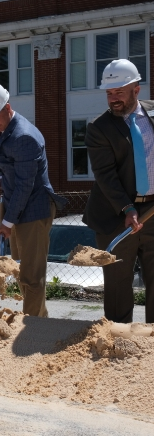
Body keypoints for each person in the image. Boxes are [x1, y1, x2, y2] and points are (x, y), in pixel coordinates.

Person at [0, 82, 66, 317]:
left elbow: (26, 185)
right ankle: (39, 322)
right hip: (19, 205)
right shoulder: (6, 130)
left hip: (34, 209)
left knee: (31, 277)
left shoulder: (24, 137)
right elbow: (15, 169)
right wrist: (1, 180)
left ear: (7, 107)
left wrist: (7, 222)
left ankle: (33, 329)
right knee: (23, 272)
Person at [83, 59, 154, 323]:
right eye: (109, 93)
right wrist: (128, 208)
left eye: (119, 92)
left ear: (136, 89)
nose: (113, 99)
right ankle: (116, 338)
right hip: (116, 216)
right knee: (117, 283)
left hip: (153, 211)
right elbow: (105, 175)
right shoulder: (98, 128)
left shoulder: (153, 114)